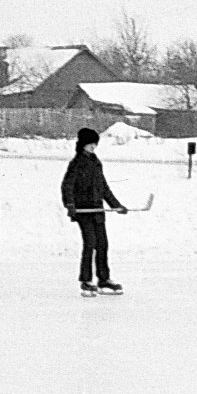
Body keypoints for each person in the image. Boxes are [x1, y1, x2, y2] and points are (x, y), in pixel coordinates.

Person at [61, 127, 126, 296]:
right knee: (90, 243)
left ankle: (104, 279)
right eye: (90, 144)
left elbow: (104, 188)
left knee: (102, 244)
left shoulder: (96, 163)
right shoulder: (76, 163)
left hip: (97, 210)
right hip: (84, 211)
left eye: (94, 144)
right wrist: (70, 205)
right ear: (82, 144)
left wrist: (116, 205)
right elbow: (67, 186)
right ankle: (86, 281)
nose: (93, 147)